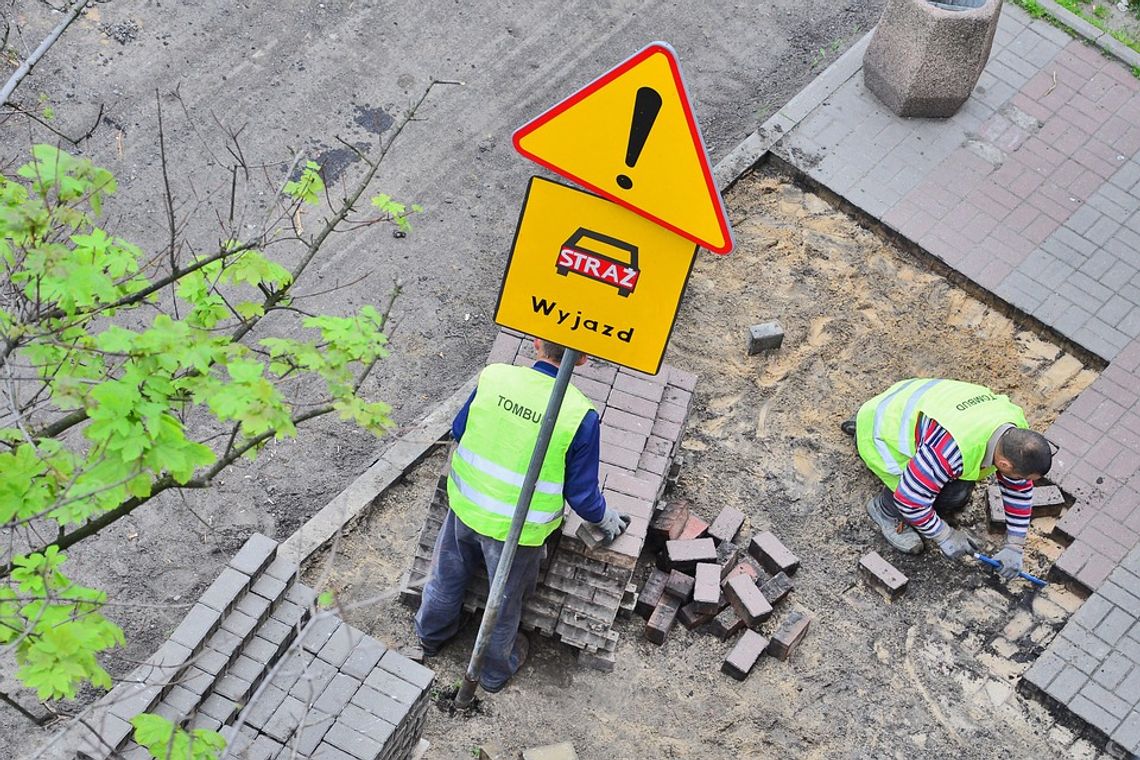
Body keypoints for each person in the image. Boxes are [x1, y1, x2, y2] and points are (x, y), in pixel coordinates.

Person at [414, 338, 627, 692]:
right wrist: (605, 519)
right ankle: (494, 672)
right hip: (518, 532)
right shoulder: (578, 415)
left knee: (447, 576)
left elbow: (459, 430)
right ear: (584, 359)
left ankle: (430, 637)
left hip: (465, 507)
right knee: (503, 600)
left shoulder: (494, 378)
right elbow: (582, 494)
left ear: (535, 343)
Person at [842, 378, 1052, 581]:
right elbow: (910, 500)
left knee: (956, 486)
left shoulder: (1015, 428)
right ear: (1005, 464)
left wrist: (1015, 545)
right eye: (1021, 476)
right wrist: (945, 535)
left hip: (908, 403)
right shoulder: (950, 451)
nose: (1023, 482)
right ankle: (885, 510)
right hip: (881, 431)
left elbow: (1018, 487)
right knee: (949, 494)